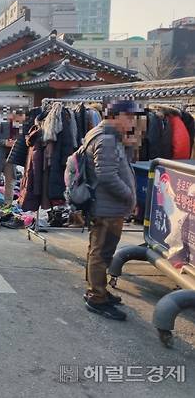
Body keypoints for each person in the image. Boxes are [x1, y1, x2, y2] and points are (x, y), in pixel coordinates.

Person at [82, 100, 139, 321]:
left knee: (98, 249)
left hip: (107, 205)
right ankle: (96, 297)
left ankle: (98, 290)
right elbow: (106, 175)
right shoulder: (105, 139)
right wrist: (128, 194)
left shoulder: (105, 135)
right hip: (107, 206)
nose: (132, 122)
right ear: (116, 116)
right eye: (130, 117)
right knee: (101, 251)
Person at [0, 109, 26, 206]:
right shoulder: (2, 125)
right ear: (14, 116)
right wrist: (5, 143)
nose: (21, 121)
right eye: (20, 119)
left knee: (10, 180)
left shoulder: (22, 128)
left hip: (12, 157)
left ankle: (8, 203)